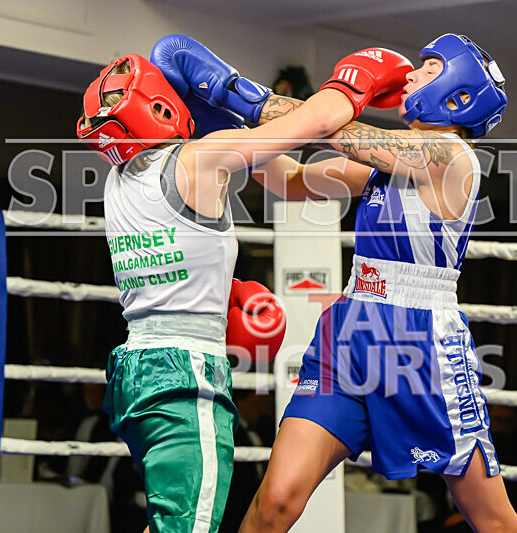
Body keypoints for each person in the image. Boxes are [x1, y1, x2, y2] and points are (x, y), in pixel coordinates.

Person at [156, 33, 517, 532]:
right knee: (276, 501)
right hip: (350, 331)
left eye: (430, 68)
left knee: (494, 522)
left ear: (459, 96)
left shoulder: (450, 156)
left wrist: (231, 89)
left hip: (418, 340)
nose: (412, 74)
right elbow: (289, 180)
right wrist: (224, 124)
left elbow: (330, 130)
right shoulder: (384, 168)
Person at [77, 42, 410, 533]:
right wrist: (343, 83)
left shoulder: (119, 180)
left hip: (136, 367)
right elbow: (316, 122)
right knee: (188, 526)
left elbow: (287, 180)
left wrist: (217, 113)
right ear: (162, 107)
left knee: (172, 519)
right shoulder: (199, 161)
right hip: (184, 372)